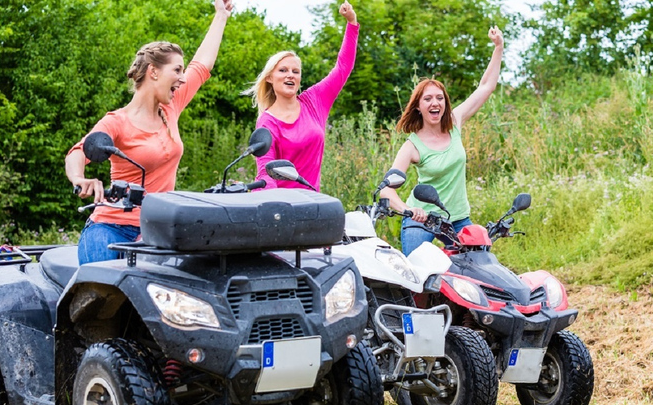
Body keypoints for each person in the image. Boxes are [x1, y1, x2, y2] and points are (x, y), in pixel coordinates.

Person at [65, 0, 232, 264]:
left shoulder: (171, 107)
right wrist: (79, 179)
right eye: (176, 70)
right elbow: (78, 152)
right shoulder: (118, 121)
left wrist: (221, 15)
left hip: (156, 231)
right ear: (153, 72)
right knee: (107, 296)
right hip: (109, 228)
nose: (183, 77)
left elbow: (202, 65)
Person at [380, 27, 504, 256]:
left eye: (439, 98)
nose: (434, 102)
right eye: (427, 99)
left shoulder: (455, 122)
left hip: (457, 219)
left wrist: (498, 47)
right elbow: (386, 191)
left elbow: (486, 87)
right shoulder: (412, 146)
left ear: (445, 103)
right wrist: (409, 210)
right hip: (423, 218)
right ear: (419, 106)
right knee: (418, 278)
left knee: (478, 267)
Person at [244, 1, 358, 191]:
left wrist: (352, 22)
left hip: (314, 202)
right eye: (283, 70)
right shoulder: (267, 122)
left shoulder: (314, 101)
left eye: (295, 71)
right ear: (270, 78)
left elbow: (343, 68)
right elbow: (265, 171)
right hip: (282, 207)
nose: (290, 75)